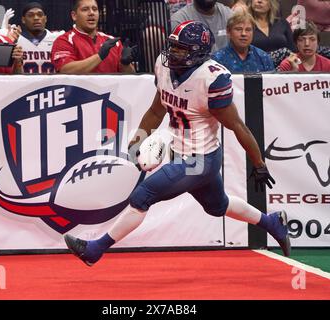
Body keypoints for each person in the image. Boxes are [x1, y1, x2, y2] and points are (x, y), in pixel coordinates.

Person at [64, 21, 291, 266]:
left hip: (201, 158)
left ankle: (95, 250)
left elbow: (237, 125)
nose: (173, 53)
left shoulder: (211, 78)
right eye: (172, 46)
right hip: (178, 149)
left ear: (198, 53)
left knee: (142, 196)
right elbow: (155, 110)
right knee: (217, 206)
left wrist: (258, 163)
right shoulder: (164, 65)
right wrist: (136, 142)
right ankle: (272, 222)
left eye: (181, 49)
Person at [51, 0, 136, 74]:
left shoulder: (114, 42)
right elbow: (66, 71)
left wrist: (125, 64)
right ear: (74, 16)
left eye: (95, 9)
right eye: (85, 9)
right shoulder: (64, 40)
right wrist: (99, 56)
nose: (91, 13)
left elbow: (131, 78)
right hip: (79, 93)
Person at [16, 2, 64, 74]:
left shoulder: (58, 38)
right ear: (23, 19)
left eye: (40, 14)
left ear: (45, 18)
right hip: (26, 84)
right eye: (30, 15)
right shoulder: (16, 40)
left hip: (52, 84)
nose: (36, 18)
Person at [248, 0, 296, 68]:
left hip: (284, 71)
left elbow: (293, 51)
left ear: (271, 3)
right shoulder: (245, 25)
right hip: (255, 70)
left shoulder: (282, 23)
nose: (259, 1)